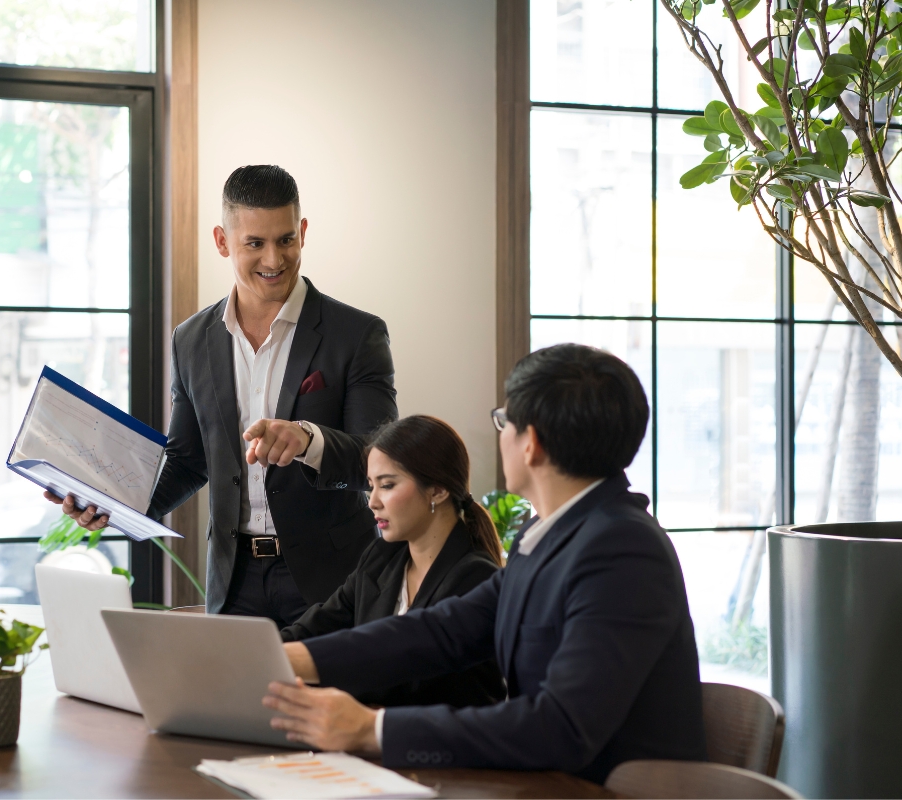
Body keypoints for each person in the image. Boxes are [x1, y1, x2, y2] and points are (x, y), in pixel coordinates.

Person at [262, 343, 707, 784]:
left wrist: (370, 729)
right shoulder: (551, 532)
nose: (500, 434)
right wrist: (293, 657)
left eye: (503, 420)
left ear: (530, 442)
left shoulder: (622, 549)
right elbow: (443, 629)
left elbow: (563, 726)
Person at [50, 165, 397, 625]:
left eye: (286, 240)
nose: (274, 259)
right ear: (222, 241)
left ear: (303, 232)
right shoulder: (191, 339)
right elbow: (188, 460)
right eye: (254, 243)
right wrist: (113, 503)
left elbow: (378, 462)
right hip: (233, 583)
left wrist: (308, 441)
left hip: (330, 580)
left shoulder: (357, 334)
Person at [280, 415, 503, 709]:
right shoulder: (380, 558)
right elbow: (315, 628)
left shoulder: (475, 576)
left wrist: (308, 669)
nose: (372, 501)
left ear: (438, 490)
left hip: (432, 747)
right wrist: (258, 653)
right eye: (371, 485)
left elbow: (401, 675)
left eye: (386, 485)